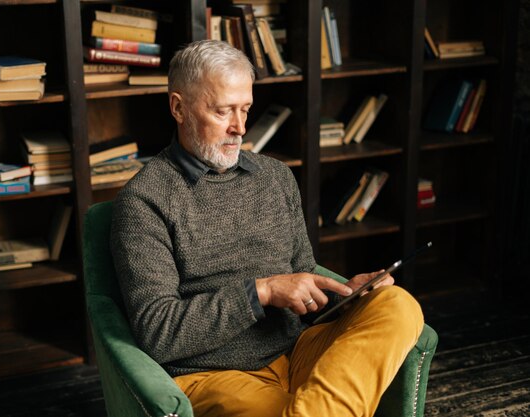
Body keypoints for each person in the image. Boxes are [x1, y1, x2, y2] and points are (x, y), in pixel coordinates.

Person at [110, 40, 424, 417]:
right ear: (178, 107)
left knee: (398, 304)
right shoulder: (145, 200)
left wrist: (347, 296)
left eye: (245, 109)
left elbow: (302, 281)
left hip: (296, 350)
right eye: (223, 111)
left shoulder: (275, 177)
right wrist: (261, 293)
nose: (240, 127)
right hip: (212, 374)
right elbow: (157, 332)